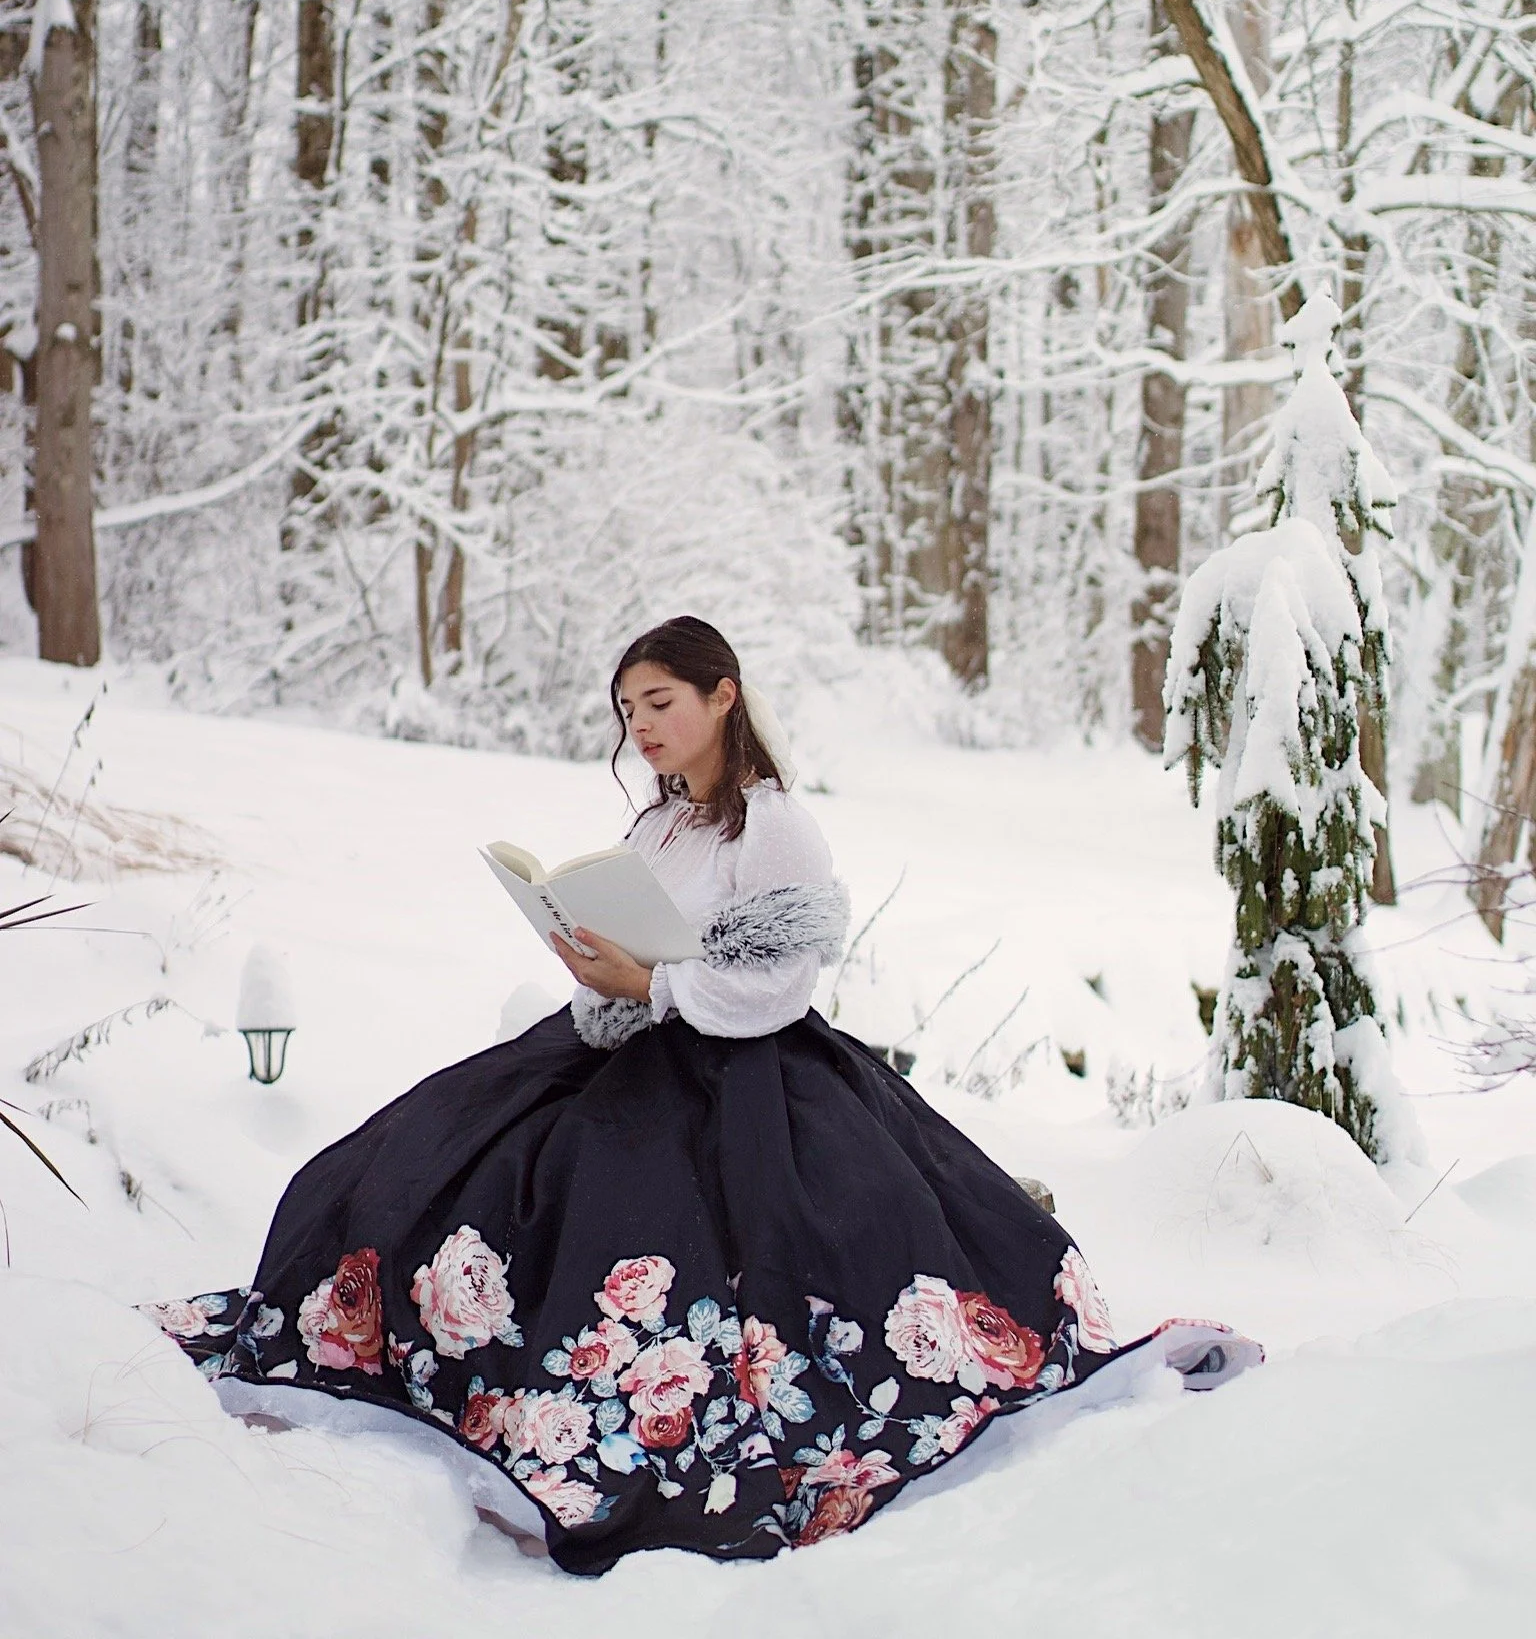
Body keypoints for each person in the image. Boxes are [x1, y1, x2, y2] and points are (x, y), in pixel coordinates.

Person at [148, 614, 1258, 1575]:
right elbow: (645, 948)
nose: (642, 724)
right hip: (623, 1043)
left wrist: (658, 984)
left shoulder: (770, 821)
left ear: (724, 695)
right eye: (628, 706)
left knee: (646, 1225)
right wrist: (599, 969)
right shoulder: (659, 821)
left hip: (748, 1074)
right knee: (416, 1157)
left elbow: (777, 978)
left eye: (662, 700)